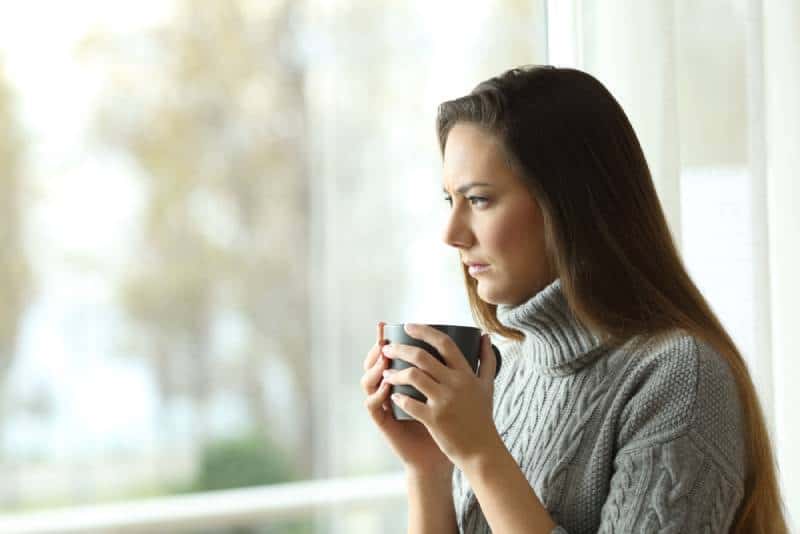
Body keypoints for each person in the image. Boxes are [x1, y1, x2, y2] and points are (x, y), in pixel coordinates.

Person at [360, 65, 789, 533]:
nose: (451, 234)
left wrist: (480, 454)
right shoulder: (506, 374)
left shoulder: (681, 377)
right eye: (450, 201)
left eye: (479, 200)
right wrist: (429, 469)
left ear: (567, 203)